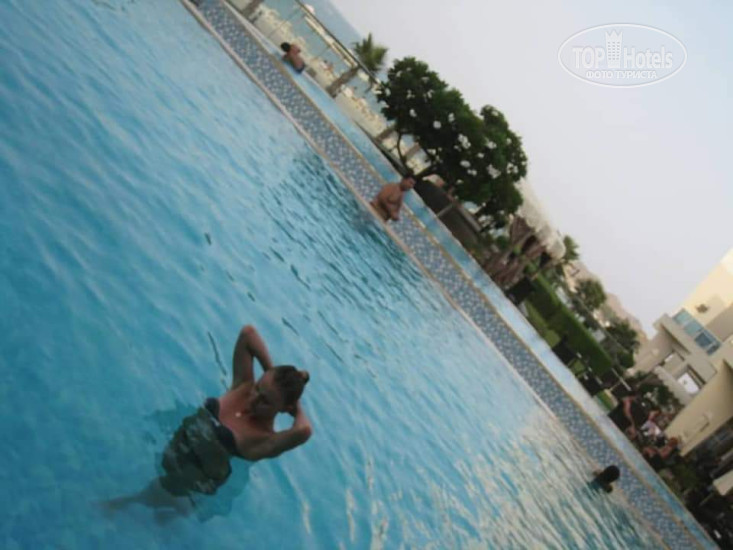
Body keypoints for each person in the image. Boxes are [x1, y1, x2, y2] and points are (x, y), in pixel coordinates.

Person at [103, 325, 312, 513]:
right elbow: (248, 334)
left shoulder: (263, 439)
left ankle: (124, 505)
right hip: (179, 447)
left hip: (197, 478)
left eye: (265, 401)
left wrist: (294, 407)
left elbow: (304, 430)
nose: (254, 399)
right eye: (258, 388)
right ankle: (172, 512)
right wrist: (271, 374)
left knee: (150, 495)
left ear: (284, 408)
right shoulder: (243, 385)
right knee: (162, 499)